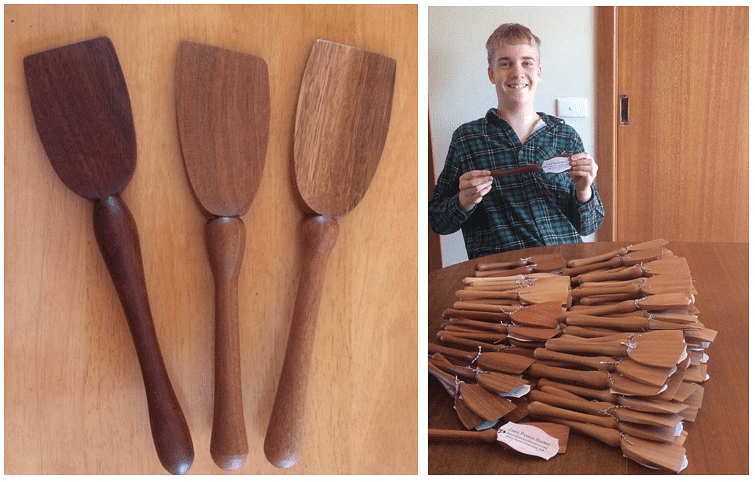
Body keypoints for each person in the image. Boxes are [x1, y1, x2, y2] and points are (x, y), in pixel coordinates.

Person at [429, 23, 604, 259]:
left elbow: (589, 226)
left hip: (566, 266)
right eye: (505, 63)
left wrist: (584, 190)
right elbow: (438, 222)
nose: (517, 72)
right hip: (501, 275)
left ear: (539, 72)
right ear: (491, 73)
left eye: (527, 62)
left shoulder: (566, 136)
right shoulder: (467, 139)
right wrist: (463, 201)